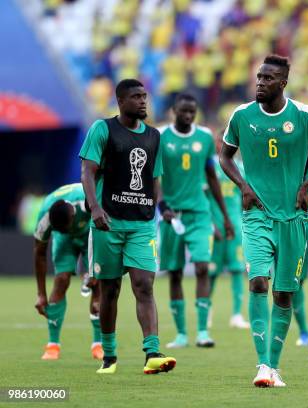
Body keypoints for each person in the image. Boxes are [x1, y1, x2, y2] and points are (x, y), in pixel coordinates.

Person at [220, 55, 308, 387]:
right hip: (256, 214)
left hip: (293, 217)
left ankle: (273, 367)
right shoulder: (242, 116)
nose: (260, 82)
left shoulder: (304, 116)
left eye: (268, 78)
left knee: (284, 294)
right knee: (259, 281)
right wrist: (243, 185)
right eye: (259, 76)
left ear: (283, 83)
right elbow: (225, 154)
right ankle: (262, 365)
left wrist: (307, 184)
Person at [79, 79, 176, 375]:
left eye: (145, 96)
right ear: (121, 101)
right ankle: (109, 355)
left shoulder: (154, 136)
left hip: (142, 225)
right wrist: (94, 208)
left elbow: (155, 178)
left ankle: (152, 352)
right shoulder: (103, 129)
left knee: (144, 285)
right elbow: (87, 170)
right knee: (109, 291)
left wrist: (152, 210)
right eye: (136, 97)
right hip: (108, 223)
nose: (143, 101)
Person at [158, 93, 234, 349]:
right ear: (173, 111)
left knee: (203, 267)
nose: (189, 116)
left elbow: (212, 177)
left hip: (200, 214)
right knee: (176, 273)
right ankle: (181, 334)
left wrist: (223, 217)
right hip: (172, 216)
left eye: (193, 112)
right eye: (184, 111)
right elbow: (153, 176)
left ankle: (203, 331)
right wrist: (161, 205)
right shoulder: (161, 137)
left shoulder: (203, 137)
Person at [33, 183, 102, 360]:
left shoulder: (88, 199)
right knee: (61, 279)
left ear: (73, 214)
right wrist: (41, 294)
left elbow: (105, 227)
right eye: (60, 229)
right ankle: (53, 345)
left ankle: (98, 345)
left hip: (92, 232)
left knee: (98, 283)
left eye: (66, 227)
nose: (66, 230)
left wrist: (94, 272)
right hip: (65, 241)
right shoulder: (46, 218)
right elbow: (39, 253)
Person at [207, 135, 249, 329]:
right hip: (215, 226)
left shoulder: (240, 167)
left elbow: (245, 198)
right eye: (220, 142)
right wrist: (209, 223)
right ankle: (205, 312)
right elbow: (204, 196)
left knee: (237, 269)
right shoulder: (211, 167)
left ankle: (236, 315)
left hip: (236, 226)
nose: (223, 145)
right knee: (211, 271)